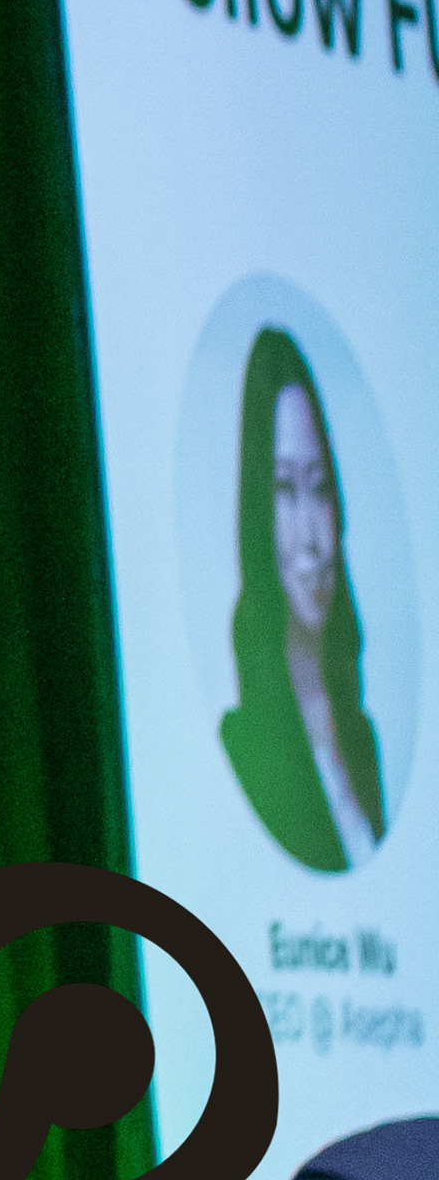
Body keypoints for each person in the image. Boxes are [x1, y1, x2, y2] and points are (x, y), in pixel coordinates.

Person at [217, 327, 392, 873]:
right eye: (284, 491)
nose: (312, 537)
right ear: (256, 513)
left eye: (319, 490)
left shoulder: (361, 740)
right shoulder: (243, 745)